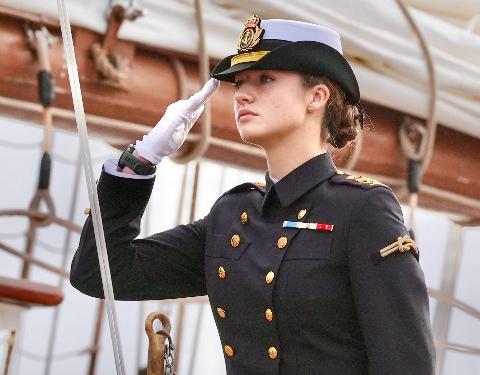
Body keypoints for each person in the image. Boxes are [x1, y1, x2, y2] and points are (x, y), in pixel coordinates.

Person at [71, 15, 435, 375]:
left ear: (317, 96)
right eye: (240, 83)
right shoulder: (232, 215)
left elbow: (406, 364)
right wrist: (142, 160)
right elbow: (99, 272)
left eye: (265, 79)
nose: (243, 93)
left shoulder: (362, 209)